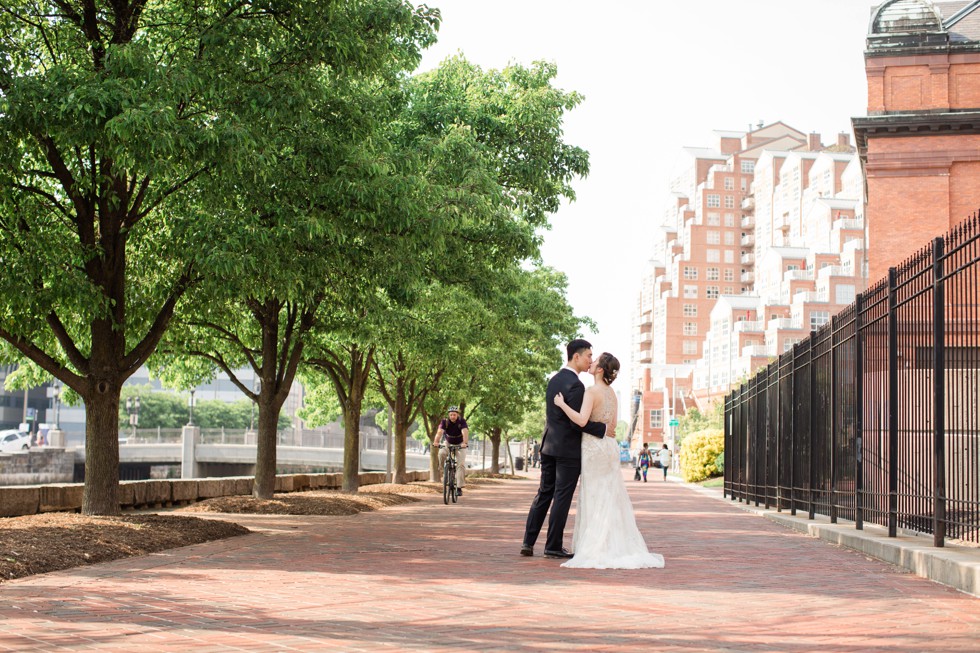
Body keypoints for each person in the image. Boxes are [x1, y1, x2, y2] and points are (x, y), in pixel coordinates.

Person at [552, 352, 665, 570]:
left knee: (593, 493)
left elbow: (582, 420)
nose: (591, 363)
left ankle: (596, 546)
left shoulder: (591, 392)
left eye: (595, 361)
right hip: (609, 446)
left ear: (600, 369)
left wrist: (562, 405)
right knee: (609, 494)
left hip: (593, 447)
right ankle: (614, 544)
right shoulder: (612, 393)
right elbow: (612, 426)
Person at [521, 339, 610, 559]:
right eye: (589, 355)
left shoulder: (554, 380)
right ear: (576, 356)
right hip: (568, 450)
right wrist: (604, 428)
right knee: (561, 496)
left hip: (548, 445)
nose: (591, 359)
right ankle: (552, 546)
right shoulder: (576, 385)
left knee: (544, 493)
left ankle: (528, 542)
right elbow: (578, 421)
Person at [434, 406, 469, 495]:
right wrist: (436, 442)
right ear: (449, 415)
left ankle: (459, 487)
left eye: (454, 414)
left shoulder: (462, 421)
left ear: (457, 415)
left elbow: (465, 432)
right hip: (448, 443)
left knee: (460, 465)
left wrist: (464, 443)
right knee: (441, 453)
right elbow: (439, 432)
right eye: (451, 415)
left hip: (460, 444)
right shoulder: (444, 422)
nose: (452, 416)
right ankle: (442, 470)